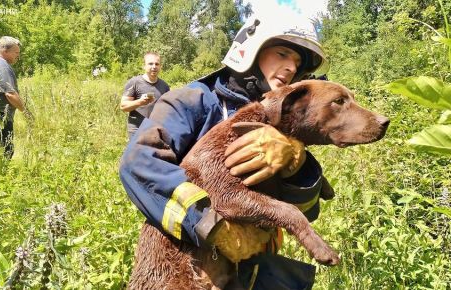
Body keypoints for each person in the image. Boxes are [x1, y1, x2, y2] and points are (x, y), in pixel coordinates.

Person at [120, 13, 330, 289]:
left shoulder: (282, 122)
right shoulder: (195, 101)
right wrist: (212, 226)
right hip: (183, 268)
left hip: (253, 272)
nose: (291, 67)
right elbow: (139, 164)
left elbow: (308, 210)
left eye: (298, 63)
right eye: (282, 53)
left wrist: (295, 159)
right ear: (250, 50)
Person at [0, 36, 32, 159]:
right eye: (16, 52)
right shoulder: (2, 66)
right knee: (5, 152)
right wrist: (26, 112)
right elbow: (10, 94)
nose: (18, 56)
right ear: (5, 51)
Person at [119, 52, 170, 139]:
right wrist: (140, 102)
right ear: (144, 66)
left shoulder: (164, 86)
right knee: (136, 153)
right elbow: (123, 106)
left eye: (157, 64)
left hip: (156, 130)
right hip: (137, 129)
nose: (154, 67)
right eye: (150, 63)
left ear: (160, 66)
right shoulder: (134, 82)